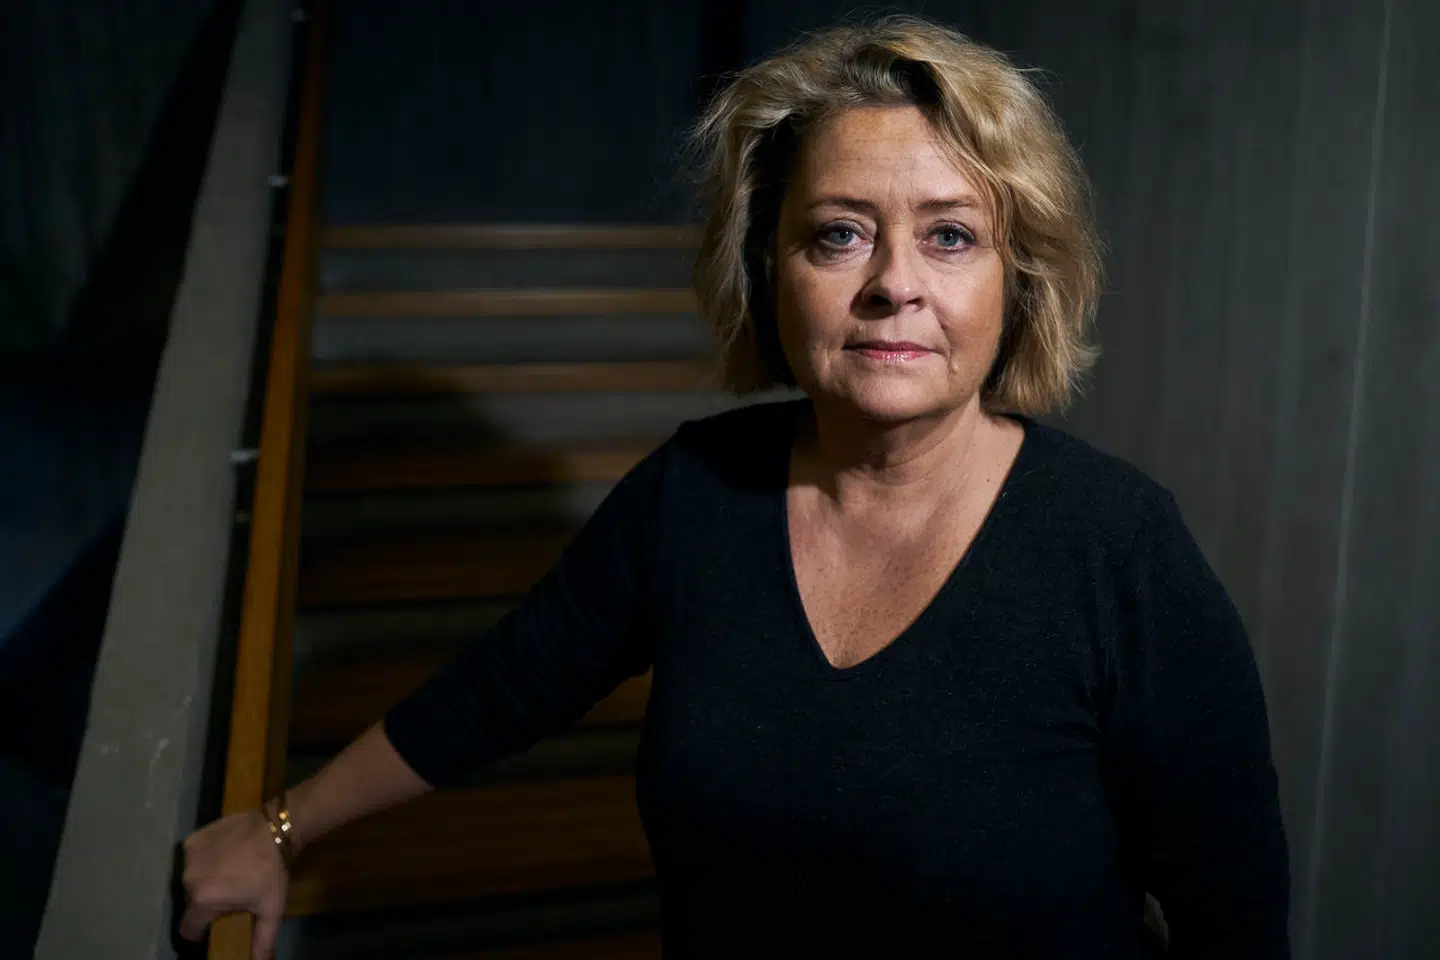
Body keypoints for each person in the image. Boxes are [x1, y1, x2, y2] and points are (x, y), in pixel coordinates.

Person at [180, 16, 1290, 959]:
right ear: (770, 267)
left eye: (951, 236)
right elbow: (498, 691)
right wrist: (280, 829)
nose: (894, 284)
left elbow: (1232, 916)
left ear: (1020, 279)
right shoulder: (694, 495)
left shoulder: (1118, 548)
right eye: (840, 234)